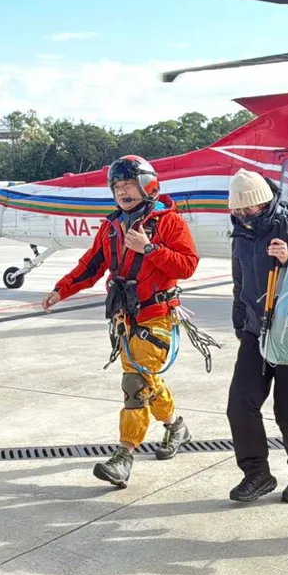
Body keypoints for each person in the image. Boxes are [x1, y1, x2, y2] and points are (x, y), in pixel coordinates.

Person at [43, 155, 200, 488]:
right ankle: (175, 426)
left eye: (129, 184)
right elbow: (91, 266)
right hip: (124, 318)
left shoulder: (169, 223)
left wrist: (150, 249)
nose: (123, 192)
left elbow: (187, 266)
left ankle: (124, 456)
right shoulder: (111, 226)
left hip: (156, 317)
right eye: (117, 186)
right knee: (145, 381)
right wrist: (62, 290)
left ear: (147, 185)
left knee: (135, 384)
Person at [225, 168, 288, 504]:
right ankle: (256, 474)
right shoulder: (240, 233)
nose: (243, 216)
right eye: (238, 211)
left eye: (249, 209)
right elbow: (240, 283)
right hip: (257, 332)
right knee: (240, 405)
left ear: (264, 202)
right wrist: (241, 324)